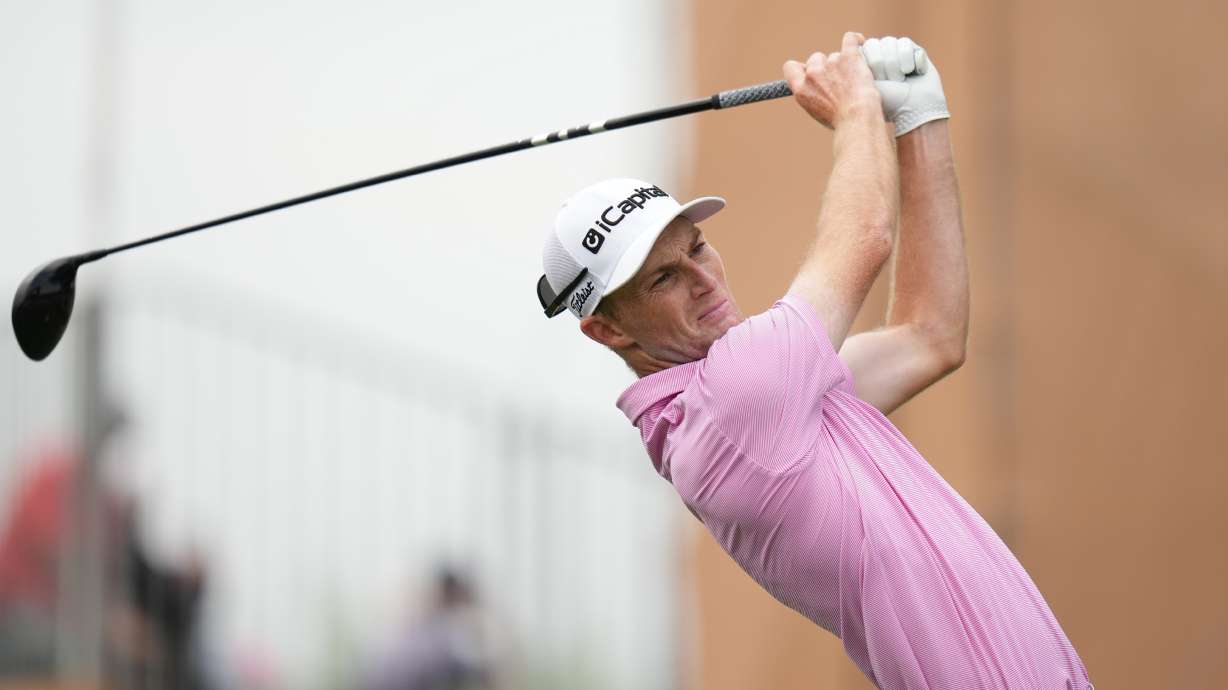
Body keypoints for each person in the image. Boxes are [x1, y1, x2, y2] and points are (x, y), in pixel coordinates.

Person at [535, 32, 1092, 690]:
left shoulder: (756, 411)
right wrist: (856, 107)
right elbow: (864, 235)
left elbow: (929, 334)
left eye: (698, 247)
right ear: (606, 331)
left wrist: (919, 118)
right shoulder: (736, 400)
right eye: (662, 280)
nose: (705, 278)